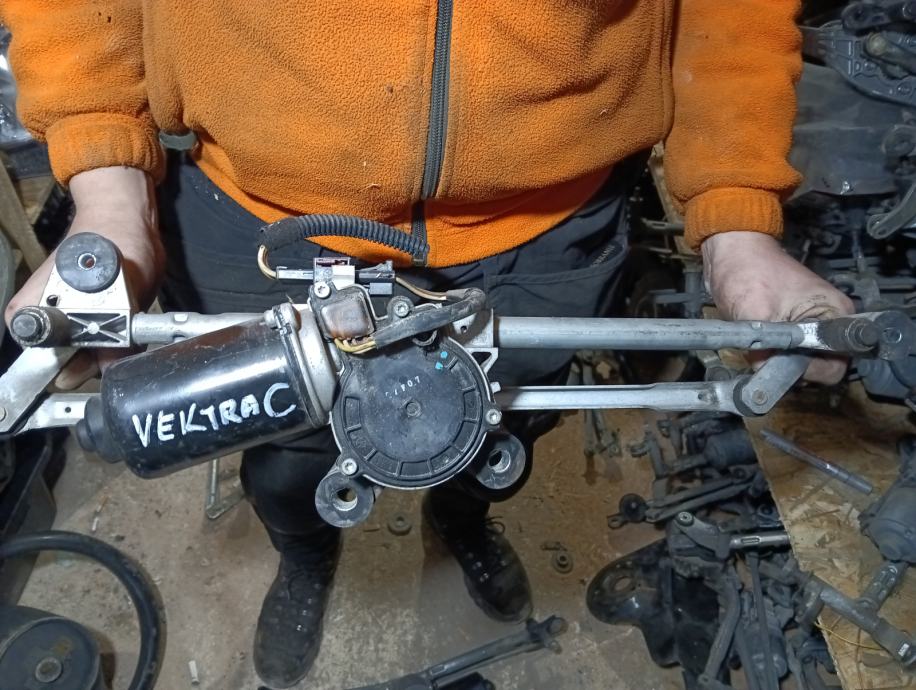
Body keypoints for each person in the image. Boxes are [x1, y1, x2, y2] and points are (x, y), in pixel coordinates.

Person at [1, 2, 853, 687]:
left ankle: (462, 519)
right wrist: (109, 199)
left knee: (500, 427)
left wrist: (737, 220)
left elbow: (732, 17)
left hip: (548, 224)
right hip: (263, 214)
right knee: (287, 453)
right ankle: (306, 554)